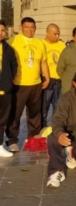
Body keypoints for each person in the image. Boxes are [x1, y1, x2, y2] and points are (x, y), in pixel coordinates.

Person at [7, 17, 50, 153]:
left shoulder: (39, 43)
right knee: (16, 113)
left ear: (35, 28)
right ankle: (12, 140)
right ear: (21, 27)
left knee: (34, 113)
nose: (29, 30)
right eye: (26, 27)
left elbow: (43, 62)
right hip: (19, 84)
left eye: (32, 27)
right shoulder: (13, 41)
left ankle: (33, 137)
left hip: (36, 83)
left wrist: (47, 78)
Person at [42, 23, 66, 127]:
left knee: (58, 109)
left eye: (58, 34)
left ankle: (55, 131)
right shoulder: (41, 44)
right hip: (47, 81)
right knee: (43, 108)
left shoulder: (62, 45)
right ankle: (41, 130)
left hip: (59, 81)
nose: (57, 36)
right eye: (55, 34)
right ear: (47, 33)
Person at [0, 20, 17, 157]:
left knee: (2, 120)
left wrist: (9, 83)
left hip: (5, 91)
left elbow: (14, 67)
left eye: (2, 30)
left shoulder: (9, 49)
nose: (0, 33)